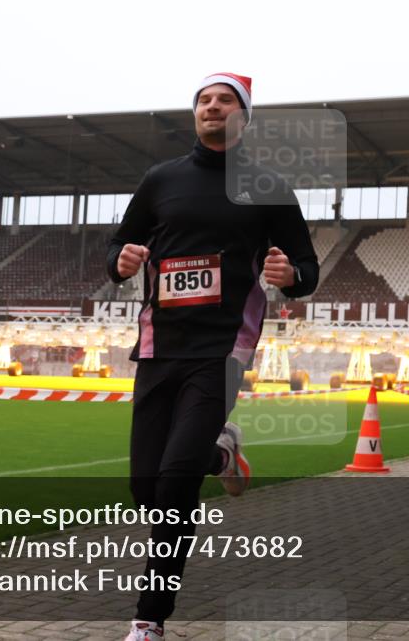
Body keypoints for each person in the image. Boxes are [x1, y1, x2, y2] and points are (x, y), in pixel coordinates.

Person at [107, 72, 319, 641]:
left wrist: (291, 275)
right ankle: (221, 456)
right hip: (159, 345)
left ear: (243, 117)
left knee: (175, 482)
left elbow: (307, 265)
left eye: (225, 100)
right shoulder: (161, 180)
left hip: (222, 348)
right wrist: (121, 261)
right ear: (194, 114)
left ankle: (149, 619)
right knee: (146, 489)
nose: (212, 106)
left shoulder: (268, 185)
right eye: (204, 99)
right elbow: (117, 247)